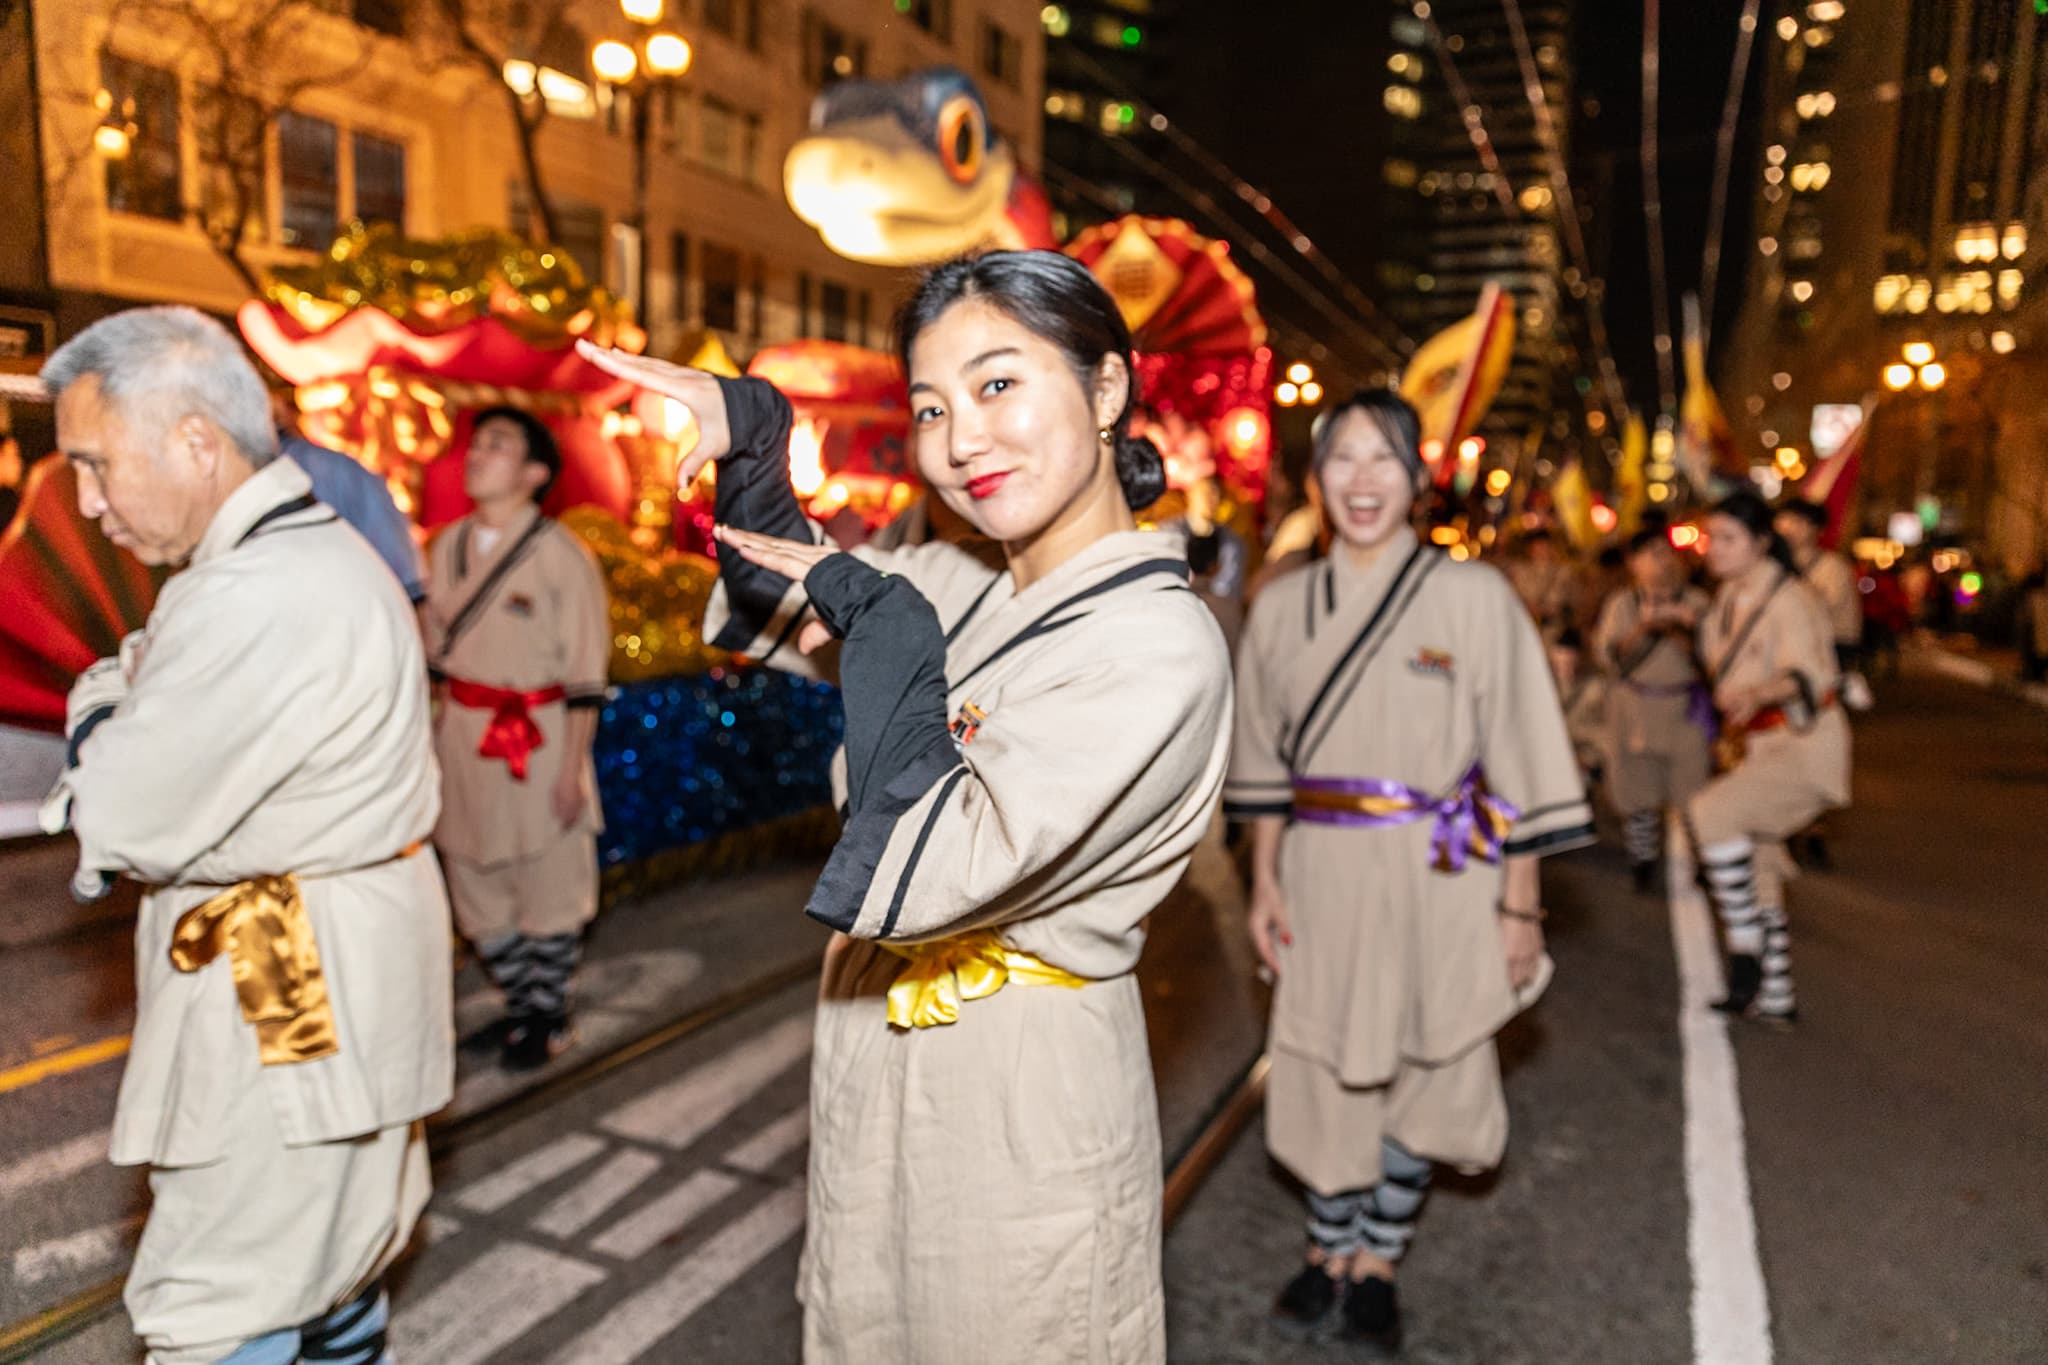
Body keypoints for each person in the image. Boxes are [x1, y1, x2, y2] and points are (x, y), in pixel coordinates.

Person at [582, 249, 1231, 1363]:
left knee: (1010, 1328)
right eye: (929, 406)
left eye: (995, 385)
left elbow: (936, 864)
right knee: (865, 1322)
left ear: (1108, 388)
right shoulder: (965, 582)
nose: (957, 439)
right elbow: (786, 592)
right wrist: (751, 439)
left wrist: (869, 614)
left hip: (1017, 1080)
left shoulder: (1155, 639)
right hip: (882, 1047)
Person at [37, 306, 448, 1365]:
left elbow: (115, 809)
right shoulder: (306, 556)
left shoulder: (256, 592)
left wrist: (103, 711)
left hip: (283, 987)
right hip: (333, 962)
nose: (87, 503)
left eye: (94, 465)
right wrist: (123, 695)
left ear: (195, 442)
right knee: (330, 1261)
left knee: (226, 1292)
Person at [1224, 390, 1593, 1348]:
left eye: (1382, 459)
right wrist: (1264, 881)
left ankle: (1379, 1255)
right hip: (1321, 870)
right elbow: (1262, 759)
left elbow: (1519, 750)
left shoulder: (1472, 597)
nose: (1361, 480)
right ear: (1315, 476)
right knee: (1319, 1065)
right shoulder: (1280, 603)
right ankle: (1325, 1244)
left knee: (1430, 1066)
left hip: (1445, 870)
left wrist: (1521, 909)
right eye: (1341, 458)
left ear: (1418, 479)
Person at [425, 407, 609, 1071]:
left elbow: (586, 673)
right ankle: (522, 1005)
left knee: (548, 880)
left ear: (535, 474)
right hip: (461, 735)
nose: (478, 455)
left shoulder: (562, 554)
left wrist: (573, 769)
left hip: (540, 738)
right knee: (473, 882)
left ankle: (546, 1014)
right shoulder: (441, 546)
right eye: (476, 443)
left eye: (497, 445)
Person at [1688, 490, 1851, 1027]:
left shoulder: (1789, 599)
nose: (1715, 548)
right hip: (1756, 748)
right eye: (1712, 537)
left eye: (1729, 538)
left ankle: (1744, 952)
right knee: (1757, 864)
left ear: (1761, 543)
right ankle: (1775, 996)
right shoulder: (1724, 598)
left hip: (1801, 747)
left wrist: (1760, 693)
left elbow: (1812, 675)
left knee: (1711, 814)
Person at [1593, 528, 1713, 892]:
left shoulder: (1696, 600)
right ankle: (1641, 857)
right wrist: (1644, 627)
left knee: (1693, 790)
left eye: (1665, 552)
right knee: (1636, 786)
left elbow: (1714, 659)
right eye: (1650, 553)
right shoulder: (1622, 603)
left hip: (1683, 707)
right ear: (1634, 563)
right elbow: (1608, 656)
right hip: (1635, 707)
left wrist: (1682, 630)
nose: (1661, 560)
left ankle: (1702, 860)